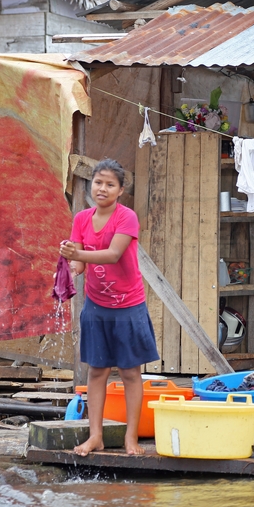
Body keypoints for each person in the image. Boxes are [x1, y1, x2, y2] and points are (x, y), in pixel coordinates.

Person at [59, 159, 160, 455]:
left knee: (130, 373)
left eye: (110, 184)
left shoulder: (126, 217)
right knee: (96, 371)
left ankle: (131, 438)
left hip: (128, 304)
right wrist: (69, 266)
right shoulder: (81, 218)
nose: (102, 189)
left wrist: (78, 255)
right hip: (96, 306)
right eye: (98, 182)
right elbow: (79, 263)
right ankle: (96, 436)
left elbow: (113, 254)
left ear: (120, 190)